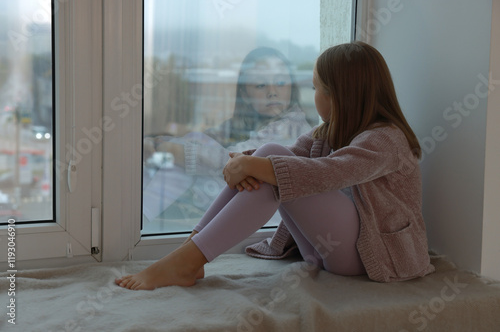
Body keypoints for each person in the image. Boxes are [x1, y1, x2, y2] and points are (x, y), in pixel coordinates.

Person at [116, 41, 435, 290]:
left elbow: (330, 172)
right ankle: (189, 253)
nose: (312, 96)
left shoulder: (386, 140)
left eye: (315, 88)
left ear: (338, 95)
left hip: (373, 256)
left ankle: (188, 260)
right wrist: (246, 162)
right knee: (270, 157)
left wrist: (254, 164)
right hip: (328, 252)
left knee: (273, 163)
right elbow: (289, 154)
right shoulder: (328, 132)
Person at [142, 47, 312, 224]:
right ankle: (143, 209)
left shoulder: (290, 128)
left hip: (269, 217)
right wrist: (161, 143)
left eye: (281, 83)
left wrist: (175, 152)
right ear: (245, 95)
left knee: (183, 159)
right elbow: (209, 138)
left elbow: (233, 161)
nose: (272, 91)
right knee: (195, 140)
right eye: (260, 85)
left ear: (291, 88)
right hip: (242, 203)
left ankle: (142, 215)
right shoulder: (249, 122)